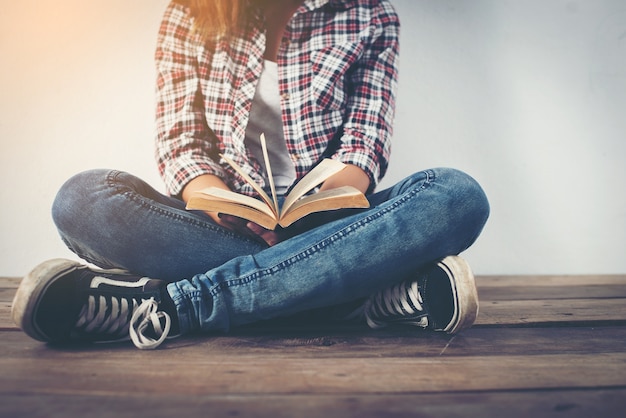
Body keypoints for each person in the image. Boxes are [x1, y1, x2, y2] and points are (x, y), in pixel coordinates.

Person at [11, 0, 489, 350]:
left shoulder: (369, 14)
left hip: (333, 226)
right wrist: (215, 198)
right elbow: (182, 142)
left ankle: (169, 306)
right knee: (82, 199)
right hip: (222, 225)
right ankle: (361, 295)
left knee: (455, 195)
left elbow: (365, 141)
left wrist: (327, 204)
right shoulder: (190, 12)